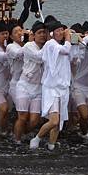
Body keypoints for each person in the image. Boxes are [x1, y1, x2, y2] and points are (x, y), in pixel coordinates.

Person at [30, 20, 73, 151]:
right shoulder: (50, 44)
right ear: (52, 33)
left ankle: (51, 146)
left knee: (58, 122)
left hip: (63, 88)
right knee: (54, 120)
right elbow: (66, 50)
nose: (61, 33)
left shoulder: (59, 45)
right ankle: (36, 138)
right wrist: (68, 38)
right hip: (51, 88)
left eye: (62, 30)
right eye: (58, 31)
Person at [14, 21, 46, 144]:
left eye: (44, 33)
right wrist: (50, 44)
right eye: (39, 33)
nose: (42, 35)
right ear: (33, 34)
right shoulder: (28, 46)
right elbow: (39, 57)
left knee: (34, 120)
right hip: (24, 86)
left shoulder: (47, 47)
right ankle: (17, 141)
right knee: (22, 116)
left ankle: (23, 133)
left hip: (38, 88)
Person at [6, 23, 25, 109]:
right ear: (11, 37)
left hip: (27, 84)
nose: (20, 33)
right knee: (22, 113)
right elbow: (19, 54)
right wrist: (30, 43)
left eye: (21, 30)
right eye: (16, 32)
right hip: (16, 84)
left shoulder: (27, 45)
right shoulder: (10, 47)